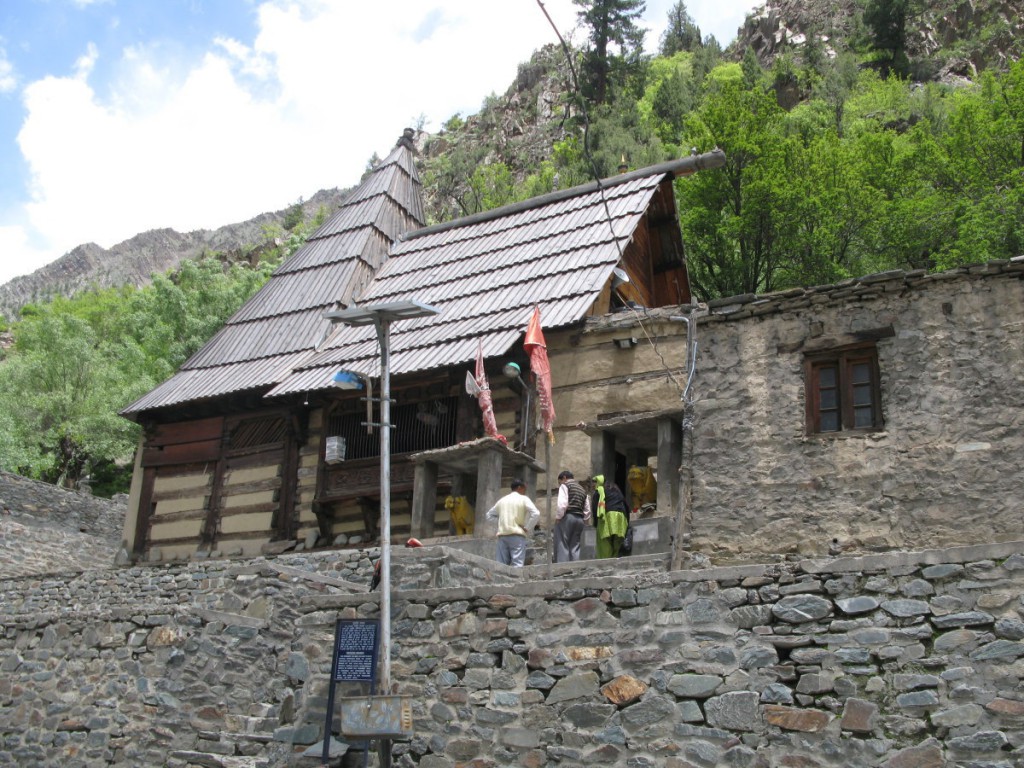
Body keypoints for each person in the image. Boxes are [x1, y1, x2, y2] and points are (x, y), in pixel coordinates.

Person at [485, 478, 541, 567]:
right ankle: (517, 581)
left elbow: (488, 515)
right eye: (524, 489)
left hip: (502, 536)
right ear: (519, 488)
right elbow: (536, 513)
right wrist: (527, 527)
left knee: (501, 565)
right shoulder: (523, 499)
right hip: (516, 535)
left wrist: (501, 521)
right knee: (517, 564)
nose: (524, 492)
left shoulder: (502, 500)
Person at [554, 470, 590, 562]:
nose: (560, 484)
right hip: (579, 519)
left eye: (560, 481)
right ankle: (575, 568)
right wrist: (585, 521)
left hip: (568, 517)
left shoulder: (565, 485)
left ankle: (563, 568)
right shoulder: (582, 489)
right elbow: (587, 509)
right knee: (575, 545)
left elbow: (562, 504)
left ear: (564, 478)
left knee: (562, 543)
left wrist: (558, 517)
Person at [592, 474, 629, 559]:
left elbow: (595, 509)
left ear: (598, 483)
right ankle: (615, 558)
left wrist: (595, 524)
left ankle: (606, 560)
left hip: (607, 516)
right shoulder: (616, 489)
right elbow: (625, 504)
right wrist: (627, 521)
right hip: (621, 516)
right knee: (617, 540)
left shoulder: (599, 492)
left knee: (605, 540)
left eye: (594, 484)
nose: (593, 487)